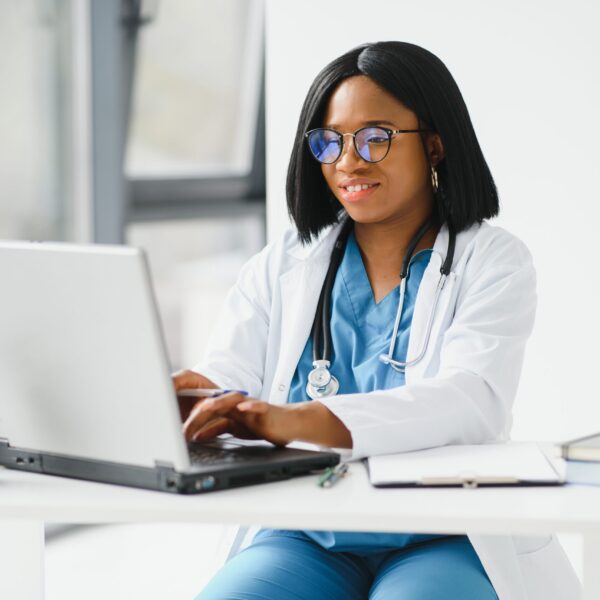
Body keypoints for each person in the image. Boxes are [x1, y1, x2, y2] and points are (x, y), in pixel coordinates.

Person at [173, 41, 580, 600]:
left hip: (442, 531)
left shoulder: (493, 261)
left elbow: (471, 401)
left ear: (434, 146)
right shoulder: (283, 265)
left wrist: (294, 420)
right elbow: (231, 374)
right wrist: (201, 396)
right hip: (304, 533)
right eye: (330, 141)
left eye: (375, 137)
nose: (348, 161)